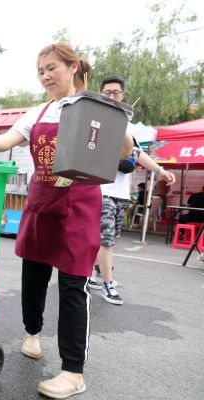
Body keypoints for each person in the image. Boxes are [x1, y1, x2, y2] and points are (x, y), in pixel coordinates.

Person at [0, 42, 134, 399]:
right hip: (42, 203)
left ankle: (74, 372)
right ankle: (32, 333)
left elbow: (126, 150)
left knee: (73, 287)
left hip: (79, 206)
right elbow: (6, 140)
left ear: (73, 67)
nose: (46, 76)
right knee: (32, 276)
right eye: (40, 70)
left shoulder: (94, 106)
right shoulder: (39, 112)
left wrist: (108, 115)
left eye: (52, 68)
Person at [89, 76, 176, 305]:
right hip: (101, 190)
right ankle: (108, 283)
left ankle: (88, 273)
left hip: (121, 193)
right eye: (107, 93)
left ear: (124, 96)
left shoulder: (127, 128)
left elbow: (139, 154)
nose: (111, 96)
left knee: (105, 239)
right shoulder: (96, 121)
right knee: (106, 241)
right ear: (100, 96)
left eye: (116, 93)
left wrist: (160, 170)